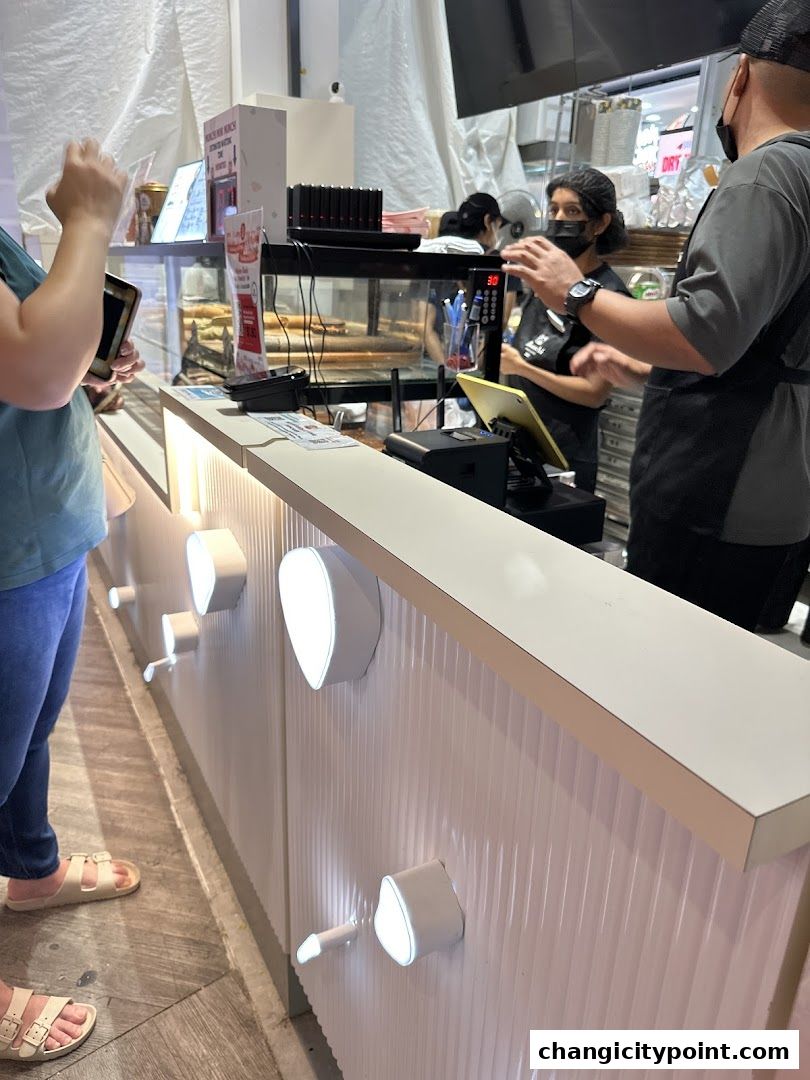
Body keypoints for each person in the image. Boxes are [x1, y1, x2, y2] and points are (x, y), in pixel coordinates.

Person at [502, 0, 810, 632]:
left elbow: (706, 334)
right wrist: (642, 367)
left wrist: (576, 293)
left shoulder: (765, 175)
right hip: (776, 498)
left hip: (714, 497)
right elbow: (759, 348)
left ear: (740, 78)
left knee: (668, 684)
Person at [0, 138, 145, 1062]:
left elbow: (40, 361)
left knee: (34, 727)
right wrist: (89, 218)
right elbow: (30, 370)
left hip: (39, 537)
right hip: (9, 552)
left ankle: (31, 868)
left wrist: (84, 369)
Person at [500, 169, 629, 492]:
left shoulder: (609, 297)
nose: (558, 219)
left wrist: (522, 369)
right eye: (553, 209)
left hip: (564, 458)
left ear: (600, 224)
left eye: (572, 211)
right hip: (519, 444)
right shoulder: (543, 285)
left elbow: (594, 392)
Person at [419, 192, 507, 367]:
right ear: (488, 221)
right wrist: (471, 371)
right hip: (475, 371)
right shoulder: (499, 262)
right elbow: (500, 323)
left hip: (432, 368)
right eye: (498, 225)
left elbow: (424, 326)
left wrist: (447, 370)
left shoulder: (437, 258)